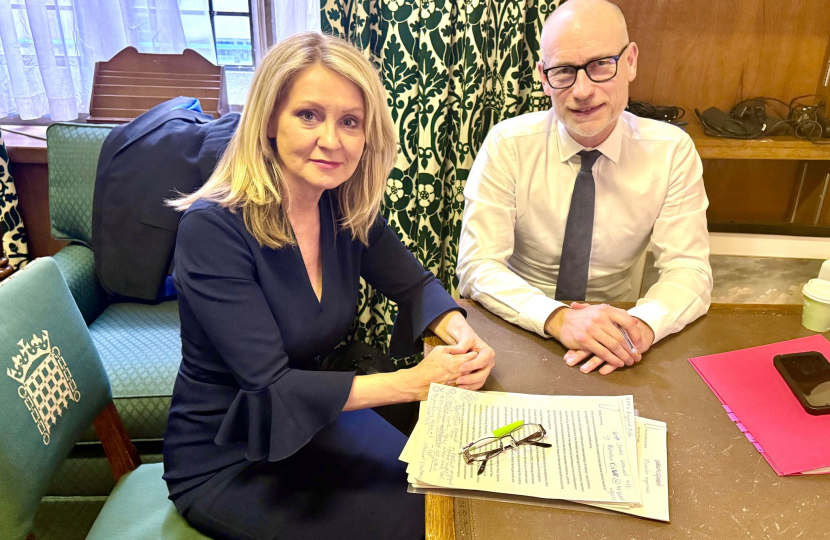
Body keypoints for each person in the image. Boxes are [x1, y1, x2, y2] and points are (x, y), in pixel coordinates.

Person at [163, 32, 495, 540]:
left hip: (313, 425)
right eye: (309, 115)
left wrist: (457, 331)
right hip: (230, 457)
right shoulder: (212, 230)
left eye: (350, 122)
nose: (332, 140)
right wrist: (416, 382)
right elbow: (270, 387)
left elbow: (415, 284)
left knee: (451, 494)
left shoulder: (341, 207)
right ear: (269, 119)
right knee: (423, 526)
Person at [456, 0, 712, 376]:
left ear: (630, 62)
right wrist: (559, 319)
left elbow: (689, 269)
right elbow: (478, 266)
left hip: (619, 333)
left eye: (599, 66)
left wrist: (641, 326)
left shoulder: (671, 151)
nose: (582, 90)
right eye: (563, 71)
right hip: (521, 321)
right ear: (544, 77)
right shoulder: (507, 144)